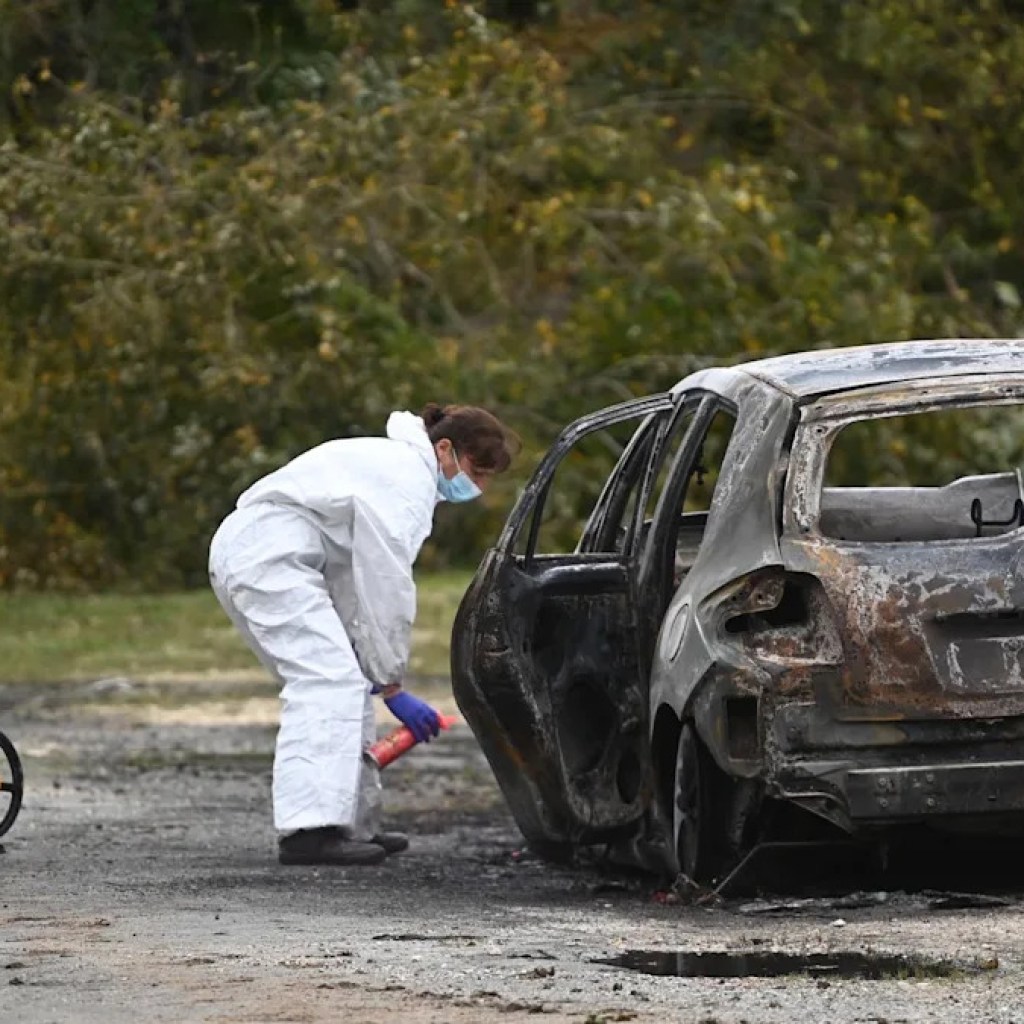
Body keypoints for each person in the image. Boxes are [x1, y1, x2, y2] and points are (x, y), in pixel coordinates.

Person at [208, 403, 518, 866]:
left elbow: (354, 579)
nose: (476, 486)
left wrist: (372, 666)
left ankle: (350, 823)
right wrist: (392, 683)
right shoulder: (404, 480)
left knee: (345, 678)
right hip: (267, 558)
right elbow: (385, 582)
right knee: (326, 680)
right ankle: (308, 832)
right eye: (476, 470)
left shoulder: (396, 469)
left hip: (276, 558)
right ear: (445, 447)